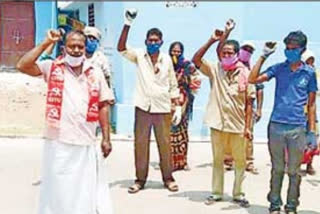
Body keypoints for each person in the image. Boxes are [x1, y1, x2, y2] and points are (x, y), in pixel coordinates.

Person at [16, 29, 114, 214]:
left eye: (80, 46)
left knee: (83, 191)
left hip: (85, 141)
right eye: (72, 46)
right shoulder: (52, 67)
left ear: (85, 49)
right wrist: (46, 43)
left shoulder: (95, 72)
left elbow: (103, 104)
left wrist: (106, 137)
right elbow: (22, 65)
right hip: (58, 142)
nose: (76, 50)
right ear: (64, 48)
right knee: (58, 190)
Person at [248, 31, 318, 214]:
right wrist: (263, 56)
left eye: (294, 48)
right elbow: (252, 79)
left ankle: (292, 205)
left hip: (297, 128)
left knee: (294, 171)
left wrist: (312, 132)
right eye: (287, 48)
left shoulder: (309, 73)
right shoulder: (279, 68)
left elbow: (311, 105)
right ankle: (274, 204)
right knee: (277, 169)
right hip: (276, 125)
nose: (289, 51)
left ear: (302, 49)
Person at [117, 9, 182, 193]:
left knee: (165, 145)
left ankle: (168, 178)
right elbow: (121, 48)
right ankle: (140, 180)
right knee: (140, 144)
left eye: (156, 41)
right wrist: (127, 24)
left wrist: (176, 106)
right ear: (146, 41)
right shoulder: (139, 55)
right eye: (150, 40)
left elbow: (173, 83)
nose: (153, 43)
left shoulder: (167, 59)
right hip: (143, 107)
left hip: (162, 108)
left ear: (161, 42)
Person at [192, 28, 255, 208]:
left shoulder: (246, 73)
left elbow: (250, 102)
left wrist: (248, 126)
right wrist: (212, 40)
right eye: (224, 52)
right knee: (217, 160)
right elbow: (196, 60)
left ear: (237, 54)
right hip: (217, 123)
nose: (226, 55)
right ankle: (217, 193)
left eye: (230, 52)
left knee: (240, 162)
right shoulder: (215, 68)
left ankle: (238, 193)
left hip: (237, 125)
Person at [216, 19, 263, 175]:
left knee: (248, 133)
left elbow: (259, 89)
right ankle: (228, 160)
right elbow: (220, 50)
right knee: (229, 132)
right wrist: (227, 32)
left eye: (250, 49)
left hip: (248, 104)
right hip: (232, 104)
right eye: (245, 48)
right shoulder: (229, 62)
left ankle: (248, 162)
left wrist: (259, 109)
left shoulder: (251, 67)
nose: (247, 51)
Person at [168, 41, 201, 171]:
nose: (175, 53)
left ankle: (183, 161)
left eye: (178, 51)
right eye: (173, 51)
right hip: (168, 101)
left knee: (182, 131)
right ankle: (170, 161)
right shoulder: (166, 64)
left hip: (183, 102)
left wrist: (188, 93)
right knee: (169, 132)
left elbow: (196, 79)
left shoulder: (187, 66)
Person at [301, 49, 319, 175]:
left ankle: (309, 164)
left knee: (312, 139)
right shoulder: (298, 74)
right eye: (308, 61)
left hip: (312, 112)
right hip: (298, 112)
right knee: (296, 139)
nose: (310, 64)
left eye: (312, 61)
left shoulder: (315, 75)